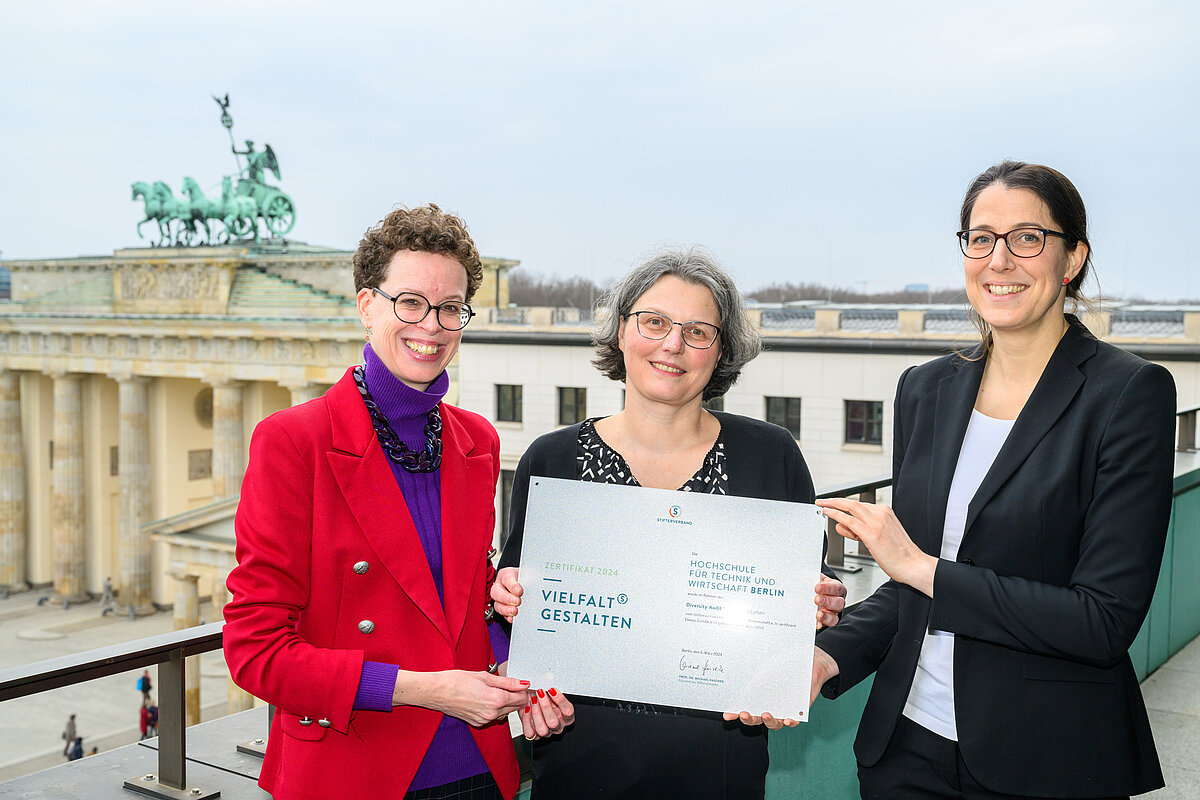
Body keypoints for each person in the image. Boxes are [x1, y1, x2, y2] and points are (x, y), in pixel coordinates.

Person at [811, 162, 1175, 799]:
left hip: (1047, 761)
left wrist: (917, 567)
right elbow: (911, 588)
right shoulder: (925, 389)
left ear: (1072, 259)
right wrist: (828, 657)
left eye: (1027, 237)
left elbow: (1101, 622)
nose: (999, 259)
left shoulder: (1128, 394)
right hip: (906, 749)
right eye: (981, 238)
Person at [492, 248, 848, 799]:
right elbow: (521, 608)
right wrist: (511, 603)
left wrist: (816, 607)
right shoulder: (551, 460)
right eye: (653, 322)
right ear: (620, 332)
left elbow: (804, 595)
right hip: (580, 761)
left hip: (719, 768)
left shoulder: (770, 455)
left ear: (722, 350)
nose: (672, 344)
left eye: (698, 331)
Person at [223, 204, 529, 800]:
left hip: (477, 767)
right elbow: (254, 649)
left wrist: (513, 625)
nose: (432, 325)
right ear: (367, 306)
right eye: (410, 302)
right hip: (352, 770)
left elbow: (461, 612)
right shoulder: (294, 441)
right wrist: (426, 689)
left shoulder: (477, 442)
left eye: (449, 308)